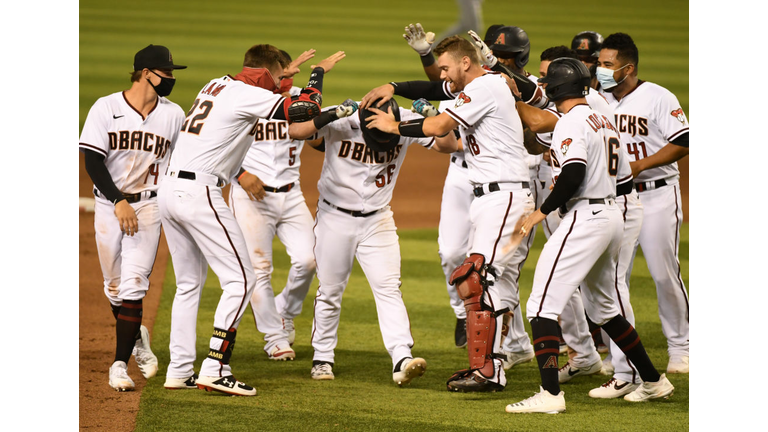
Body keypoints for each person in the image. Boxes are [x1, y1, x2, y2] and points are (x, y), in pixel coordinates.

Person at [158, 43, 344, 396]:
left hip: (170, 191)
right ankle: (215, 367)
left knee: (187, 285)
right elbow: (302, 110)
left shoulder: (215, 85)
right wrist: (316, 75)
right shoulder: (244, 94)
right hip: (200, 193)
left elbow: (268, 88)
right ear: (267, 72)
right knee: (242, 280)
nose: (283, 82)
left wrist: (285, 74)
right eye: (280, 76)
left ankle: (179, 369)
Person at [362, 35, 535, 392]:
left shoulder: (484, 87)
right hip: (496, 194)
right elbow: (445, 126)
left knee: (478, 276)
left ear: (465, 63)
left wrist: (393, 126)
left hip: (505, 193)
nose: (443, 75)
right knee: (490, 280)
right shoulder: (481, 86)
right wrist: (398, 86)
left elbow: (440, 126)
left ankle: (488, 368)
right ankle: (495, 363)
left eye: (445, 67)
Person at [505, 58, 673, 414]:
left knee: (540, 305)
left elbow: (573, 172)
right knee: (605, 309)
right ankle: (654, 380)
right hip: (612, 214)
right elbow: (625, 178)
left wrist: (542, 210)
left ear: (553, 90)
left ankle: (549, 396)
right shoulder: (603, 121)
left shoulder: (570, 122)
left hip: (586, 217)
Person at [289, 97, 457, 384]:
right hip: (334, 217)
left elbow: (449, 145)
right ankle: (323, 357)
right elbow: (298, 131)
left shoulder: (404, 119)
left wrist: (437, 118)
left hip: (378, 218)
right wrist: (329, 114)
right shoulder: (343, 119)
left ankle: (401, 357)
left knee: (389, 287)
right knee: (330, 290)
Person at [79, 44, 186, 391]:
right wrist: (118, 200)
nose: (170, 79)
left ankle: (119, 365)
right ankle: (137, 339)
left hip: (149, 206)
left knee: (133, 286)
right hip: (111, 206)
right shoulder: (106, 108)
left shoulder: (174, 115)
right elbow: (93, 162)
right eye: (166, 73)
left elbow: (183, 161)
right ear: (145, 73)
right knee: (114, 288)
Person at [597, 33, 690, 374]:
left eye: (608, 64)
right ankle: (618, 355)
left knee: (663, 273)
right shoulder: (597, 98)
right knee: (612, 278)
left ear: (628, 67)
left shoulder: (658, 97)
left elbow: (684, 141)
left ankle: (681, 347)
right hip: (616, 199)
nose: (601, 69)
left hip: (656, 194)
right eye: (599, 63)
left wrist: (640, 165)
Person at [229, 49, 318, 352]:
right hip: (252, 197)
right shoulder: (240, 100)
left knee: (310, 259)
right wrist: (239, 174)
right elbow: (212, 146)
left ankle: (286, 311)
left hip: (292, 194)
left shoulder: (296, 98)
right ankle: (275, 338)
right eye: (281, 72)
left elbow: (318, 134)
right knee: (260, 269)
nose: (284, 77)